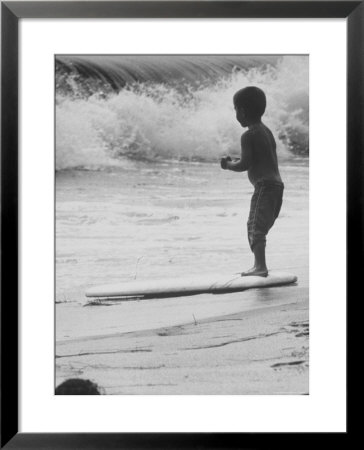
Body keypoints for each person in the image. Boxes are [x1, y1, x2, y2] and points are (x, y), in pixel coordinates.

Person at [221, 86, 284, 277]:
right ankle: (260, 265)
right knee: (260, 227)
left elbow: (245, 164)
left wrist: (228, 165)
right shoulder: (266, 131)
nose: (236, 114)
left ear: (242, 111)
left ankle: (260, 266)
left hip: (264, 186)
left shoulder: (248, 135)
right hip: (277, 187)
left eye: (235, 109)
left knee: (254, 226)